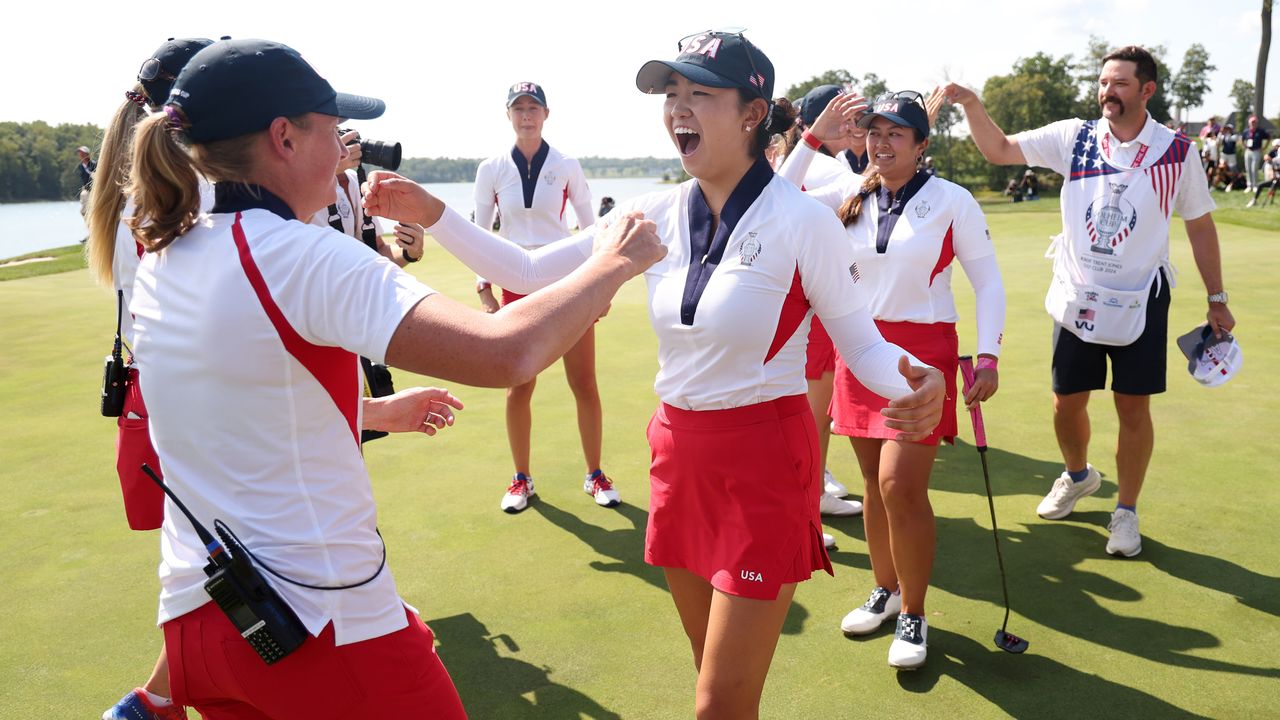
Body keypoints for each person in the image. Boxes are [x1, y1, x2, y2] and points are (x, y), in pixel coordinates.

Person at [363, 30, 945, 717]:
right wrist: (432, 212)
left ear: (753, 114)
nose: (679, 109)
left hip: (765, 466)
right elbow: (523, 270)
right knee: (713, 679)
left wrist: (918, 379)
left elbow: (865, 347)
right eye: (672, 94)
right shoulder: (654, 212)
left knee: (716, 704)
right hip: (677, 458)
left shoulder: (803, 222)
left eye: (700, 93)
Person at [125, 38, 664, 719]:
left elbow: (242, 402)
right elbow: (506, 354)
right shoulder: (304, 256)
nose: (347, 147)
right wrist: (615, 262)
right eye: (332, 128)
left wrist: (376, 414)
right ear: (284, 138)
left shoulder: (167, 254)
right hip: (319, 621)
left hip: (205, 623)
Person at [942, 45, 1234, 557]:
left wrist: (1217, 297)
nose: (1107, 92)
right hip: (1077, 294)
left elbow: (1201, 225)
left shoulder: (1177, 151)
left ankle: (1126, 511)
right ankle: (1078, 476)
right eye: (1103, 82)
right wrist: (971, 104)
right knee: (1066, 401)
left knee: (1132, 408)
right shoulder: (1074, 136)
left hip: (1142, 297)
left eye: (1120, 84)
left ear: (1147, 90)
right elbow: (1000, 149)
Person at [779, 89, 1005, 669]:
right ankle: (886, 589)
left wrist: (987, 356)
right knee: (872, 485)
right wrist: (811, 136)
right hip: (862, 349)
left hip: (923, 356)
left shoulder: (954, 201)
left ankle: (915, 611)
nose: (880, 143)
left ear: (921, 144)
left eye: (895, 134)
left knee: (899, 487)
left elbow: (988, 283)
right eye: (873, 132)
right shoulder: (851, 191)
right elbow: (778, 193)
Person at [85, 36, 215, 720]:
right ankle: (157, 699)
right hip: (196, 396)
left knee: (204, 554)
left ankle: (158, 699)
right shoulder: (185, 196)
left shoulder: (139, 190)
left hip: (159, 393)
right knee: (215, 558)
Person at [472, 81, 615, 513]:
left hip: (565, 279)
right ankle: (521, 479)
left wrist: (601, 283)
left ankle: (595, 474)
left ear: (546, 114)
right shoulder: (491, 168)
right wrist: (484, 288)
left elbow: (593, 230)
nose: (527, 114)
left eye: (534, 107)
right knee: (520, 385)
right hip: (513, 278)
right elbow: (481, 234)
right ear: (509, 115)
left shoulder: (567, 165)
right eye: (519, 108)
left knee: (584, 382)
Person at [310, 128, 424, 267]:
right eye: (330, 131)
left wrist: (408, 253)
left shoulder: (352, 181)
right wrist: (325, 173)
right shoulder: (288, 184)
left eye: (337, 130)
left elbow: (377, 251)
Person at [1246, 138, 1280, 207]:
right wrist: (1273, 173)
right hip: (1277, 180)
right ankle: (1254, 200)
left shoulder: (1276, 160)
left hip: (1278, 180)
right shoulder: (1275, 160)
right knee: (1260, 185)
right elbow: (1272, 165)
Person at [1242, 115, 1272, 194]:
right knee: (1248, 169)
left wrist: (1264, 147)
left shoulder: (1260, 131)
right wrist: (1245, 147)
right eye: (1252, 122)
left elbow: (1269, 137)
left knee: (1254, 168)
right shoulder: (1246, 131)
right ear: (1249, 123)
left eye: (1254, 122)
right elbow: (1242, 139)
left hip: (1256, 151)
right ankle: (1249, 185)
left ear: (1256, 123)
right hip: (1248, 151)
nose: (1253, 123)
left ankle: (1255, 185)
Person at [77, 145, 97, 217]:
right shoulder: (80, 166)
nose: (81, 155)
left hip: (95, 190)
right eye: (80, 153)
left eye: (83, 153)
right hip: (86, 190)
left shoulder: (94, 164)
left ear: (87, 154)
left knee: (94, 209)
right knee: (83, 211)